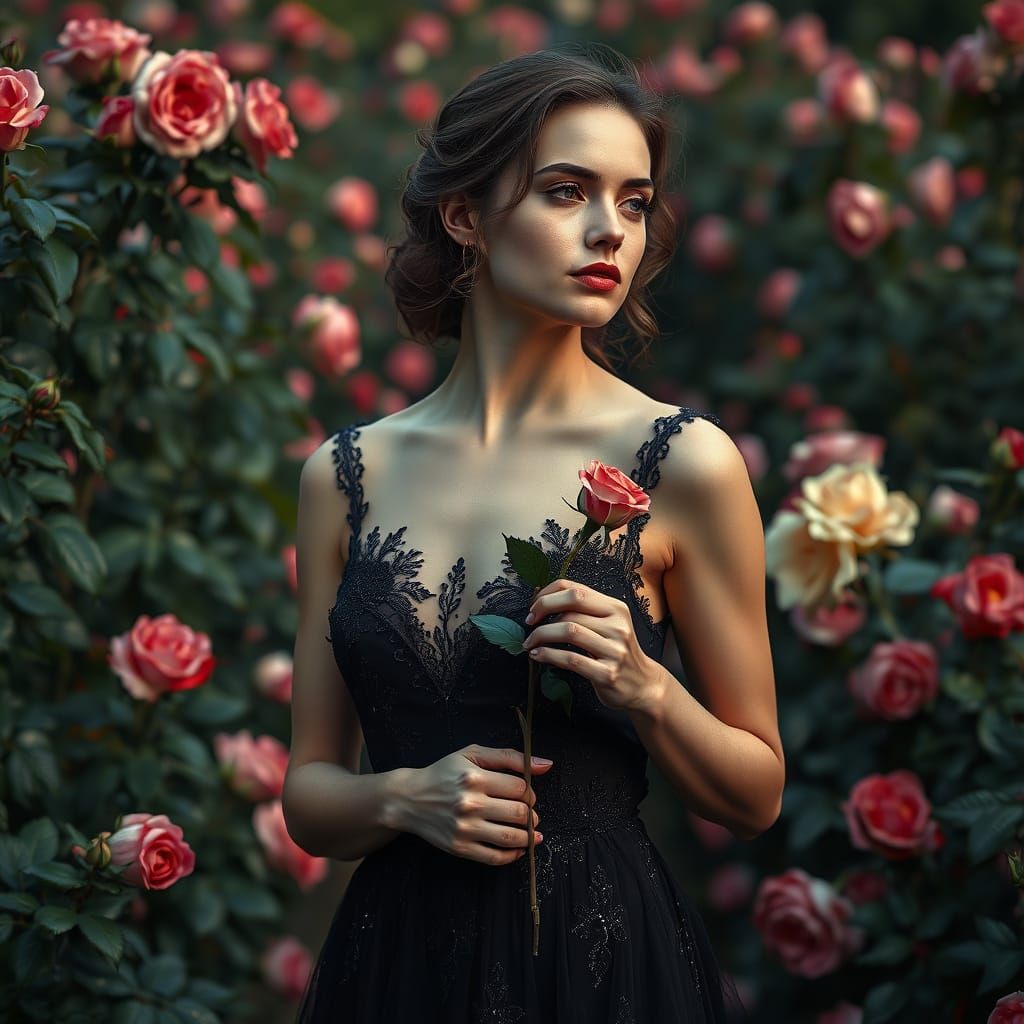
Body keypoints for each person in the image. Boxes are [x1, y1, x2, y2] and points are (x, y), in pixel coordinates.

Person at [284, 41, 781, 1023]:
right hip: (394, 973)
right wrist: (401, 798)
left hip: (601, 969)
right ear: (465, 215)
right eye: (566, 191)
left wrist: (645, 686)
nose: (609, 231)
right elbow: (309, 792)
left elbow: (754, 791)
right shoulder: (346, 475)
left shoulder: (683, 463)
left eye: (633, 202)